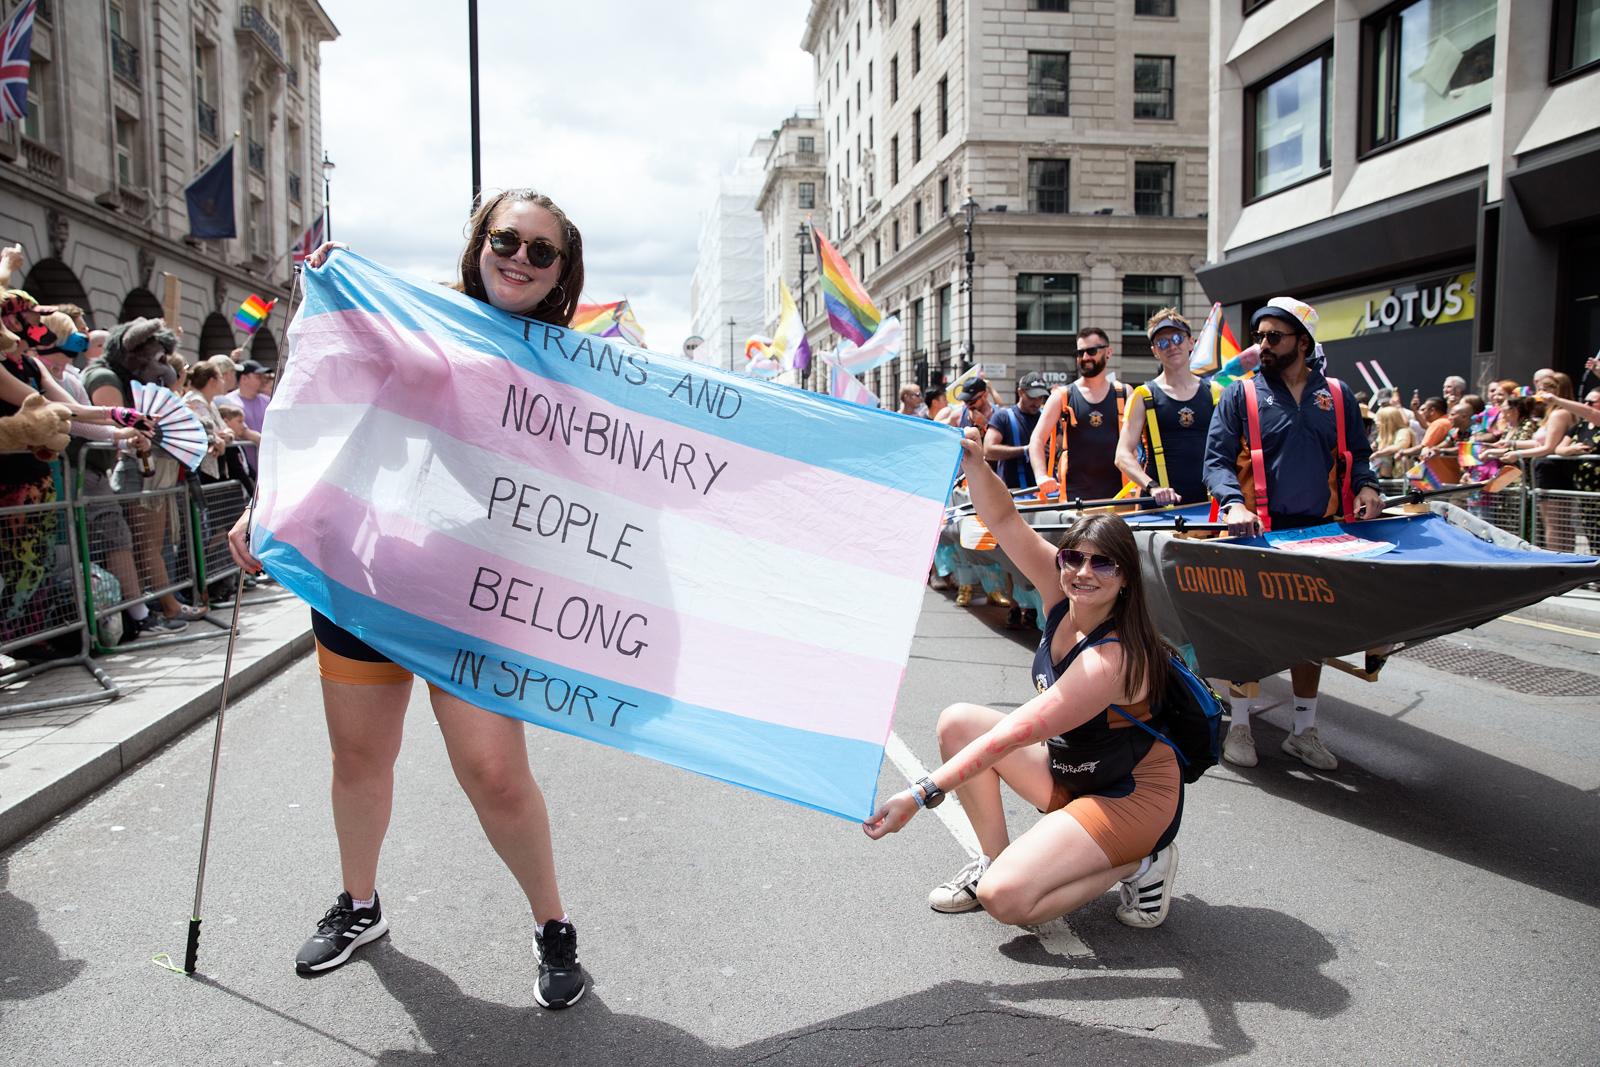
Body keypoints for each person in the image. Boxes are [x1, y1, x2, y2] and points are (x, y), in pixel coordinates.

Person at [227, 188, 590, 1007]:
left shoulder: (573, 367)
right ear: (479, 241)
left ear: (562, 271)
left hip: (477, 602)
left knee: (494, 774)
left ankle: (552, 924)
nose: (519, 258)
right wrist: (268, 502)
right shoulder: (412, 316)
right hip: (366, 580)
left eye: (542, 251)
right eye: (507, 238)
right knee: (360, 760)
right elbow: (332, 411)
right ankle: (360, 905)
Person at [864, 426, 1183, 931]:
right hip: (1076, 773)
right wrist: (973, 462)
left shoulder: (1112, 659)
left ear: (1125, 579)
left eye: (1103, 563)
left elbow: (1018, 731)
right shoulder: (1061, 596)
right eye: (1073, 557)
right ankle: (995, 859)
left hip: (1131, 794)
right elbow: (1005, 518)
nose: (1083, 571)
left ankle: (1143, 862)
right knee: (958, 723)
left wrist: (921, 793)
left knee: (1006, 901)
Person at [1203, 296, 1382, 772]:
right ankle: (1239, 723)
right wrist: (1235, 503)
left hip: (1319, 531)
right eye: (1259, 336)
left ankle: (1303, 731)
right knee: (1248, 628)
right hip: (1255, 531)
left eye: (1272, 337)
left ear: (1303, 342)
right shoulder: (1239, 394)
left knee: (1309, 630)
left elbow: (1359, 456)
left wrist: (1367, 486)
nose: (1262, 344)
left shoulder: (1339, 395)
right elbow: (1216, 461)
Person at [83, 319, 208, 630]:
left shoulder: (120, 379)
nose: (163, 368)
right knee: (139, 541)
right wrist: (130, 435)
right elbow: (111, 425)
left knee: (147, 540)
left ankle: (157, 607)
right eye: (157, 359)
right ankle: (159, 609)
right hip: (109, 470)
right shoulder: (105, 377)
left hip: (117, 469)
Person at [1115, 309, 1218, 508]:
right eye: (1162, 342)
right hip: (1158, 507)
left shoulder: (1215, 392)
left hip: (1207, 504)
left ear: (1191, 342)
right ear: (1155, 351)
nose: (1171, 346)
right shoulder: (1143, 395)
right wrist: (1152, 487)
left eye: (1178, 338)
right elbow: (1122, 455)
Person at [1029, 327, 1132, 503]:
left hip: (1119, 496)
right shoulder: (1062, 395)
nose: (1085, 358)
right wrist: (1041, 477)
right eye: (1080, 353)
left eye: (1091, 351)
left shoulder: (1123, 393)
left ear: (1108, 352)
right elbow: (1037, 440)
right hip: (1074, 497)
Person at [1490, 373, 1580, 550]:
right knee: (1556, 524)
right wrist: (1511, 443)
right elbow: (1539, 442)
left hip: (1553, 472)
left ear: (1557, 391)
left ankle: (1558, 565)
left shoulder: (1559, 414)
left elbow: (1548, 448)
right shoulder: (1553, 413)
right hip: (1550, 471)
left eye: (1544, 390)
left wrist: (1517, 454)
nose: (1540, 394)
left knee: (1554, 525)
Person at [986, 371, 1049, 492]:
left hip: (1043, 493)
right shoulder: (1002, 417)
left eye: (1040, 398)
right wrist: (1026, 450)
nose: (1036, 402)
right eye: (1032, 397)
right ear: (1020, 392)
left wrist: (1055, 450)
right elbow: (988, 451)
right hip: (1013, 492)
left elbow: (1061, 445)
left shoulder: (1047, 417)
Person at [220, 359, 271, 467]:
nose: (263, 381)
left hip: (267, 464)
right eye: (258, 377)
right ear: (244, 378)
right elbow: (242, 432)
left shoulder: (268, 402)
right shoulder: (229, 402)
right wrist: (267, 441)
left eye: (264, 377)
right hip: (245, 466)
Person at [1369, 406, 1414, 479]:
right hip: (1383, 478)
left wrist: (1378, 453)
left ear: (1388, 421)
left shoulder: (1403, 431)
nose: (1376, 423)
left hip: (1400, 478)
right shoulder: (1381, 435)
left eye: (1379, 420)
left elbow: (1400, 446)